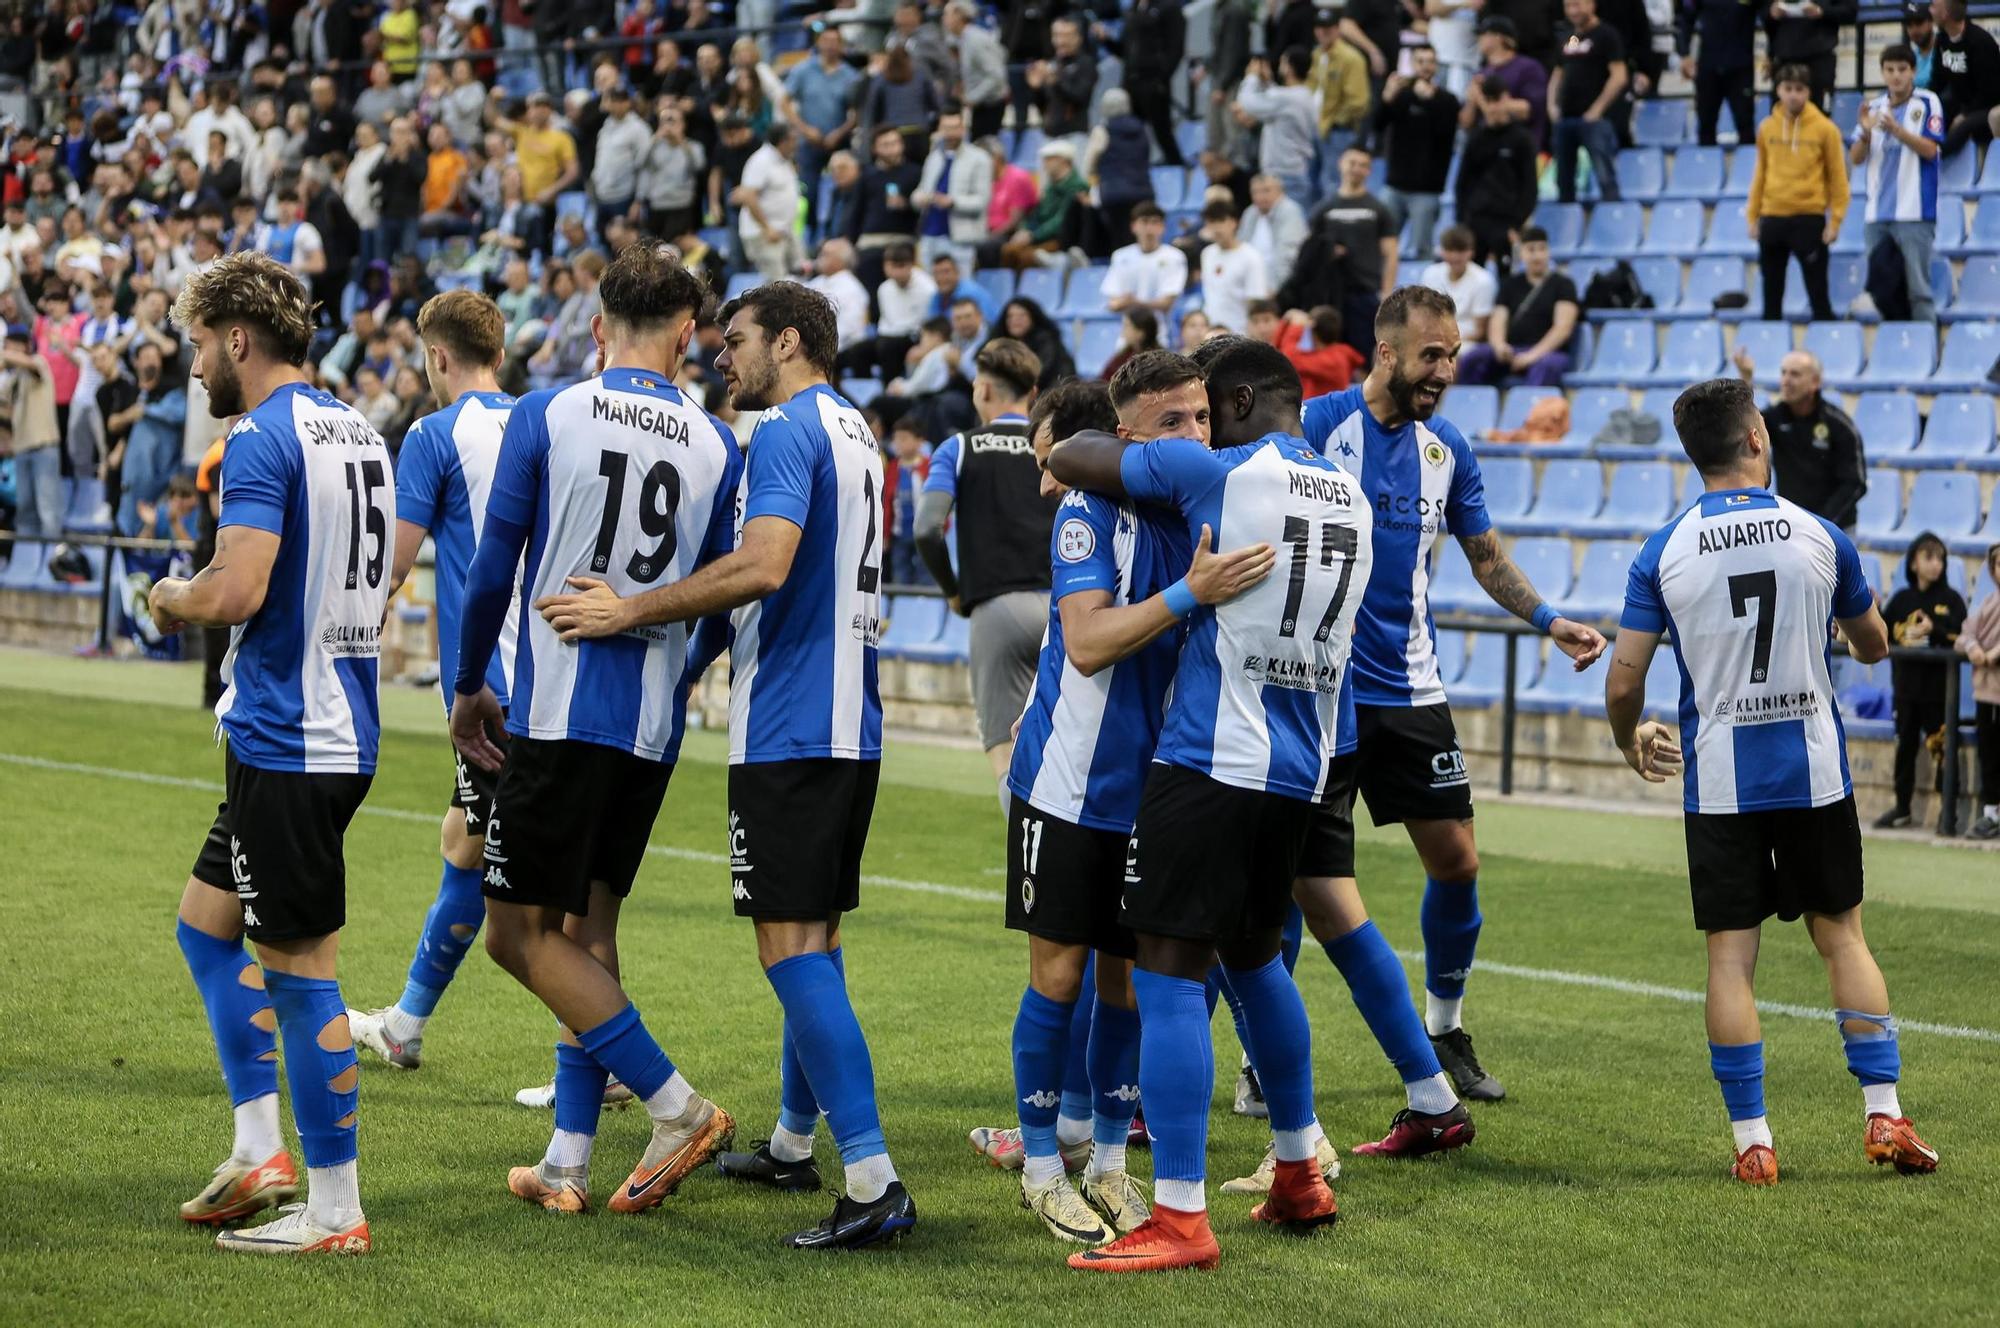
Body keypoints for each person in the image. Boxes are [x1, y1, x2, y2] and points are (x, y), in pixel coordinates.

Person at [532, 282, 916, 1249]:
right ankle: (794, 1146)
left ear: (788, 341)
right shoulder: (859, 434)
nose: (721, 359)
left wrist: (628, 609)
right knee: (815, 945)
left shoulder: (787, 430)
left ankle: (874, 1180)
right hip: (849, 720)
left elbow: (763, 566)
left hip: (791, 723)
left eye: (737, 341)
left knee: (789, 951)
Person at [1049, 336, 1363, 1273]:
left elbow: (1071, 453)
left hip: (1212, 756)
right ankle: (1300, 1168)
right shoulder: (1346, 490)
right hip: (1302, 764)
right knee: (1259, 960)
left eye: (1203, 408)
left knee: (1170, 974)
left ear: (1231, 404)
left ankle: (1180, 1217)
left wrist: (1136, 457)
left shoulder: (1218, 471)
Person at [449, 246, 741, 1220]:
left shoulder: (551, 412)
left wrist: (464, 685)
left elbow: (495, 563)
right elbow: (717, 599)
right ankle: (568, 1161)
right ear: (689, 335)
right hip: (649, 728)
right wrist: (671, 672)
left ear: (596, 322)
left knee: (515, 935)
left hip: (560, 710)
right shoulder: (714, 443)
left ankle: (674, 1104)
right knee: (588, 932)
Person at [1605, 375, 1939, 1187]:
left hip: (1720, 782)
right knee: (1843, 936)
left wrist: (1630, 741)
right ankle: (1884, 1113)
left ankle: (1754, 1140)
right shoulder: (1820, 535)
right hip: (1814, 775)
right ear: (1756, 438)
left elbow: (1624, 681)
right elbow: (1872, 646)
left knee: (1731, 960)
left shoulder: (1664, 550)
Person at [974, 357, 1275, 1244]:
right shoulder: (1088, 509)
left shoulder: (1208, 512)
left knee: (1130, 989)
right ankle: (1039, 1166)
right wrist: (1191, 592)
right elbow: (1091, 640)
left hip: (1158, 788)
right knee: (1059, 976)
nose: (1197, 437)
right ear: (1131, 439)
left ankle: (1110, 1164)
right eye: (1174, 423)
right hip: (1068, 782)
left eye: (1203, 420)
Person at [1303, 286, 1608, 1105]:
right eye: (1432, 354)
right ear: (1389, 352)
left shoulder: (1449, 451)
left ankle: (1445, 1026)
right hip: (1315, 689)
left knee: (1458, 860)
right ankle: (1269, 1057)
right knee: (1289, 878)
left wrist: (1550, 619)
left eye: (1455, 352)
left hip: (1409, 687)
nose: (1448, 368)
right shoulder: (1315, 425)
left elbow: (1484, 554)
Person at [146, 252, 393, 1255]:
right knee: (207, 927)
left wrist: (171, 594)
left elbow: (238, 589)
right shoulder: (358, 427)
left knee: (299, 968)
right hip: (335, 722)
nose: (196, 362)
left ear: (237, 337)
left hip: (289, 737)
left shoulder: (261, 436)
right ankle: (260, 1150)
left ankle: (334, 1208)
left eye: (199, 343)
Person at [344, 290, 518, 1075]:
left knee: (525, 883)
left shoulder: (434, 435)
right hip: (560, 677)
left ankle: (607, 1051)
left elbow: (393, 564)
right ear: (501, 354)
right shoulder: (541, 421)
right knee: (467, 842)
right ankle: (406, 1022)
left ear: (436, 356)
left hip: (491, 689)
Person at [914, 338, 1056, 792]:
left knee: (1007, 755)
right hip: (1067, 609)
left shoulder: (959, 448)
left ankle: (1028, 863)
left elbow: (926, 528)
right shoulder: (1060, 450)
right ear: (1032, 394)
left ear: (984, 392)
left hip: (999, 610)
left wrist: (954, 592)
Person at [1876, 531, 1969, 830]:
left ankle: (1948, 812)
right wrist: (1873, 608)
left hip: (1939, 693)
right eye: (1928, 557)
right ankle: (1902, 807)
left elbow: (1962, 636)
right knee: (1904, 748)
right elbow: (1883, 632)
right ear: (1914, 562)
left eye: (1940, 558)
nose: (1936, 564)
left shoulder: (1951, 600)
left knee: (1944, 750)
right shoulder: (1902, 599)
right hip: (1905, 691)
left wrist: (1936, 630)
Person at [1850, 47, 1946, 324]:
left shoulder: (1928, 102)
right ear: (1882, 72)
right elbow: (1855, 159)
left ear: (1913, 71)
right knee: (1882, 290)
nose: (1896, 76)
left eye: (1902, 69)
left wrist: (1897, 130)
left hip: (1914, 212)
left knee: (1918, 291)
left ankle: (1928, 353)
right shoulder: (1874, 107)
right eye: (1890, 70)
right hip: (1877, 214)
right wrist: (1866, 134)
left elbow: (1931, 150)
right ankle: (1897, 350)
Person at [1748, 65, 1850, 323]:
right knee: (1771, 301)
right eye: (1788, 89)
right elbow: (1760, 173)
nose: (1793, 95)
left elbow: (1838, 178)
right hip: (1772, 217)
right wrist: (1753, 216)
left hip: (1809, 217)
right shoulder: (1767, 128)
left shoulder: (1826, 129)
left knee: (1819, 299)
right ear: (1778, 90)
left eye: (1799, 89)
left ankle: (1824, 357)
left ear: (1808, 92)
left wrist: (1835, 220)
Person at [1302, 145, 1400, 358]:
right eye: (1352, 163)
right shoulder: (1323, 209)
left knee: (1363, 358)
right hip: (1329, 296)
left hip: (1364, 292)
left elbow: (1391, 253)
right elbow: (1309, 252)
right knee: (1326, 355)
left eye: (1363, 165)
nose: (1356, 169)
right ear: (1340, 164)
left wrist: (1386, 291)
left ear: (1369, 171)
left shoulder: (1378, 209)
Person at [1456, 226, 1581, 386]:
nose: (1537, 256)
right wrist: (1500, 346)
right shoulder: (1510, 284)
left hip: (1548, 353)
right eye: (1531, 250)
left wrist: (1531, 356)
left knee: (1546, 367)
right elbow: (1498, 320)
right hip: (1512, 350)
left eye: (1542, 249)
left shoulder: (1564, 285)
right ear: (1522, 253)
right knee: (1473, 359)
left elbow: (1562, 328)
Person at [1373, 45, 1462, 261]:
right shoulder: (1401, 95)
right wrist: (1386, 97)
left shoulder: (1447, 101)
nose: (1425, 66)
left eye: (1430, 61)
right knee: (1381, 247)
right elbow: (1377, 125)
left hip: (1426, 190)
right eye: (1420, 61)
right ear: (1413, 65)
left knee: (1423, 251)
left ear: (1436, 66)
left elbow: (1446, 134)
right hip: (1394, 185)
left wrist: (1430, 102)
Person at [1456, 77, 1542, 272]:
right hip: (1476, 221)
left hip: (1506, 222)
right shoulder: (1476, 139)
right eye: (1488, 102)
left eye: (1498, 101)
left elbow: (1529, 186)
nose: (1493, 108)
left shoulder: (1521, 139)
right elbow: (1463, 183)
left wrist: (1517, 224)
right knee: (1472, 279)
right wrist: (1463, 222)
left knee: (1507, 279)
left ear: (1507, 99)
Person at [1548, 0, 1628, 203]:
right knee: (1563, 180)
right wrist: (1552, 105)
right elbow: (1557, 74)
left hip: (1595, 120)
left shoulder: (1607, 35)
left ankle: (1613, 217)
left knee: (1605, 176)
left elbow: (1619, 76)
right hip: (1566, 117)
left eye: (1578, 4)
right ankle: (1567, 225)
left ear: (1592, 4)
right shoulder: (1566, 37)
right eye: (1568, 6)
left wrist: (1597, 109)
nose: (1573, 11)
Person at [1234, 49, 1323, 211]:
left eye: (1282, 62)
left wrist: (1252, 77)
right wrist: (1268, 83)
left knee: (1289, 230)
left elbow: (1248, 103)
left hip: (1283, 174)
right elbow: (1277, 101)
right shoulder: (1306, 95)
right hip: (1298, 169)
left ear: (1288, 68)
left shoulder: (1286, 98)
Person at [1, 324, 63, 545]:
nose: (10, 348)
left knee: (47, 510)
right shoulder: (12, 380)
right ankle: (26, 564)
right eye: (8, 344)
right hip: (21, 450)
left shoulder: (38, 362)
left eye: (14, 344)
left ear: (26, 346)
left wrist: (5, 355)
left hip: (43, 447)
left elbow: (27, 363)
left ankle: (50, 565)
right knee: (25, 510)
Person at [912, 108, 992, 269]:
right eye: (946, 128)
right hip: (930, 233)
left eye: (955, 127)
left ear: (963, 129)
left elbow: (982, 201)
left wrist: (953, 202)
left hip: (960, 237)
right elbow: (919, 192)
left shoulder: (979, 158)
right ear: (940, 130)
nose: (951, 133)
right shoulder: (934, 157)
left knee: (959, 287)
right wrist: (920, 198)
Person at [1959, 544, 2000, 839]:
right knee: (1989, 754)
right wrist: (1973, 648)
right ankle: (1991, 813)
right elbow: (1965, 634)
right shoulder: (1988, 602)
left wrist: (1995, 652)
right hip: (1987, 695)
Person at [1309, 7, 1372, 196]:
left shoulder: (1351, 58)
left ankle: (1332, 223)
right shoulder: (1317, 55)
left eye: (1328, 28)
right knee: (1312, 182)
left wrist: (1336, 121)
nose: (1323, 32)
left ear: (1337, 29)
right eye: (1320, 28)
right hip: (1315, 126)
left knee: (1333, 183)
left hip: (1338, 132)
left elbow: (1359, 102)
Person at [1677, 0, 1757, 144]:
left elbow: (1769, 14)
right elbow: (1685, 19)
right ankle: (1705, 165)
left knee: (1745, 126)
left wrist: (1772, 54)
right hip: (1708, 67)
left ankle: (1749, 165)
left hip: (1741, 67)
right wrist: (1684, 54)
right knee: (1706, 126)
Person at [1927, 0, 2000, 155]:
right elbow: (1937, 81)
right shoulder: (1942, 39)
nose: (1930, 10)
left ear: (1945, 13)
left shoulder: (1980, 42)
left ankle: (1934, 154)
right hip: (1962, 103)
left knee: (1964, 126)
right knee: (1932, 110)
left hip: (1988, 107)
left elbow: (1989, 93)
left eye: (1933, 6)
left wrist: (1964, 114)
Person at [735, 125, 803, 281]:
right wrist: (767, 228)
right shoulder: (761, 161)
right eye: (793, 140)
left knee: (799, 275)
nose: (797, 144)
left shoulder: (785, 159)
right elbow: (749, 196)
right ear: (782, 142)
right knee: (776, 285)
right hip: (764, 233)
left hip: (784, 230)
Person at [1103, 203, 1192, 320]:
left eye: (1154, 222)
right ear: (1133, 226)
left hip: (1161, 332)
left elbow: (1167, 303)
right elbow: (1112, 302)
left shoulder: (1174, 257)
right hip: (1127, 331)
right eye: (1144, 222)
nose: (1149, 228)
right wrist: (1122, 303)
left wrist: (1133, 302)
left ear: (1162, 227)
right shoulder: (1120, 256)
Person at [1199, 201, 1272, 339]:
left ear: (1234, 222)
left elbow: (1255, 302)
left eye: (1221, 221)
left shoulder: (1251, 257)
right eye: (1211, 222)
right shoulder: (1207, 254)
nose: (1216, 228)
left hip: (1239, 334)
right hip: (1211, 333)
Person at [1764, 0, 1850, 110]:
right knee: (1781, 115)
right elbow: (1762, 13)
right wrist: (1771, 13)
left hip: (1820, 58)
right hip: (1785, 58)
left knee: (1820, 112)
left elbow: (1850, 11)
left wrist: (1822, 11)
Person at [1420, 225, 1498, 346]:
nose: (1455, 256)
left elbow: (1480, 331)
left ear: (1471, 252)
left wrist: (1447, 340)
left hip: (1466, 341)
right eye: (1450, 250)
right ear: (1442, 251)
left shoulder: (1484, 280)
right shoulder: (1430, 273)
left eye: (1461, 251)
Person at [943, 1, 1010, 140]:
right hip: (982, 105)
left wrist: (973, 97)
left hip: (991, 105)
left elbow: (996, 75)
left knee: (984, 147)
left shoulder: (975, 40)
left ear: (959, 16)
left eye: (947, 15)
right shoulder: (965, 39)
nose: (944, 20)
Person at [1275, 305, 1366, 395]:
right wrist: (1285, 322)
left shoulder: (1334, 359)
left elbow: (1288, 359)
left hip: (1324, 408)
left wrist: (1296, 327)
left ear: (1313, 330)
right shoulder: (1339, 352)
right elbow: (1277, 352)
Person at [1241, 174, 1311, 291]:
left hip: (1280, 286)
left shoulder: (1289, 211)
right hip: (1251, 282)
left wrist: (1274, 288)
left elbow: (1287, 255)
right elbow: (1241, 247)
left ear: (1280, 191)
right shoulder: (1250, 213)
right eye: (1255, 192)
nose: (1260, 197)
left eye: (1266, 191)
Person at [1102, 307, 1162, 381]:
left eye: (1127, 326)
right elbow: (1104, 379)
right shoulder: (1121, 357)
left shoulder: (1158, 361)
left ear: (1141, 332)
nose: (1123, 331)